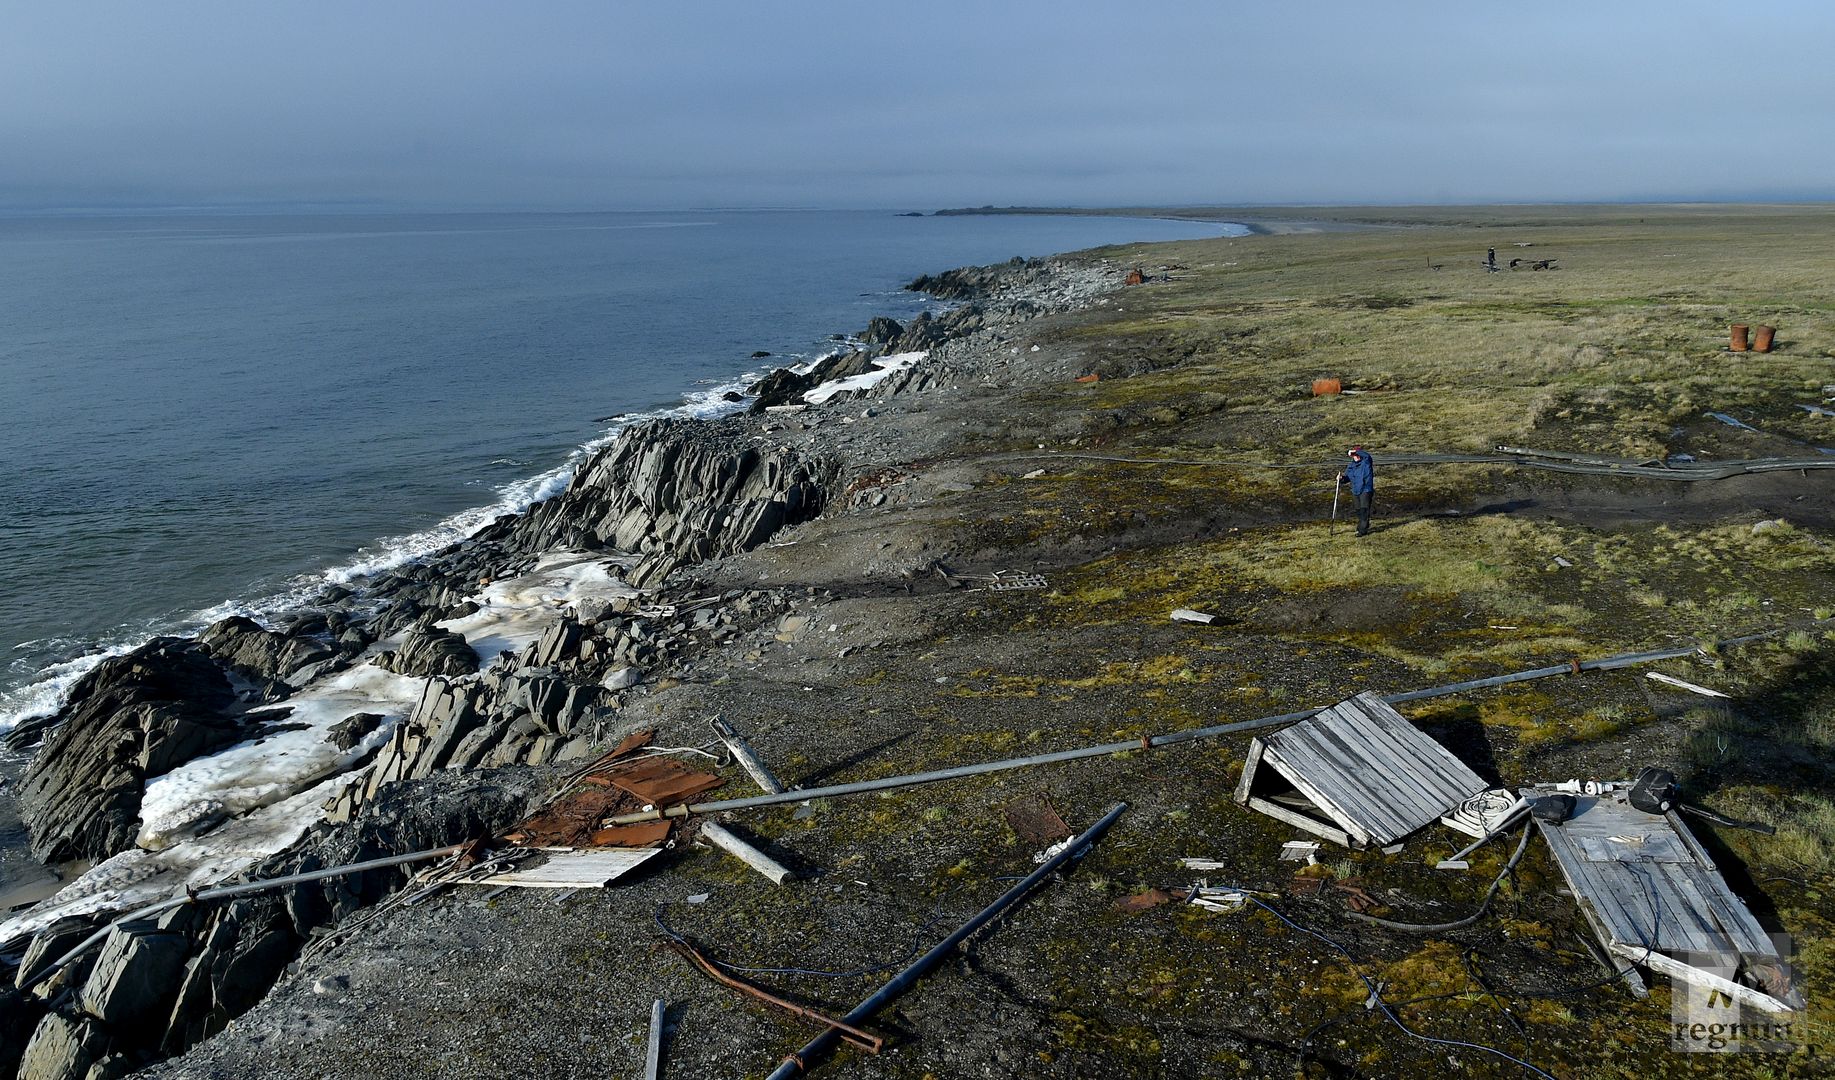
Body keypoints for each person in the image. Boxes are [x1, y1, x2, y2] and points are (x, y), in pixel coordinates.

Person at [1339, 446, 1374, 536]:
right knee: (1358, 510)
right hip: (1355, 490)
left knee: (1364, 510)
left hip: (1366, 489)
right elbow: (1347, 478)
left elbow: (1367, 456)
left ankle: (1362, 530)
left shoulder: (1366, 462)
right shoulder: (1351, 466)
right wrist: (1341, 478)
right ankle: (1362, 527)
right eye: (1354, 455)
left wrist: (1356, 451)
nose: (1356, 456)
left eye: (1357, 454)